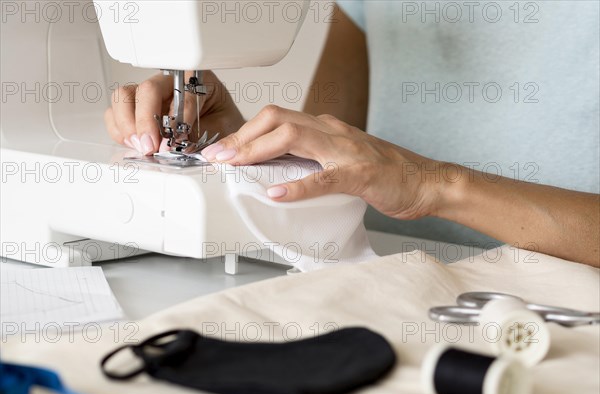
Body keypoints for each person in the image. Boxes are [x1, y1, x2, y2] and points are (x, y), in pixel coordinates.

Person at [104, 3, 599, 267]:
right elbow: (332, 155)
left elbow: (398, 176)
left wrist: (430, 185)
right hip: (395, 287)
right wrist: (239, 143)